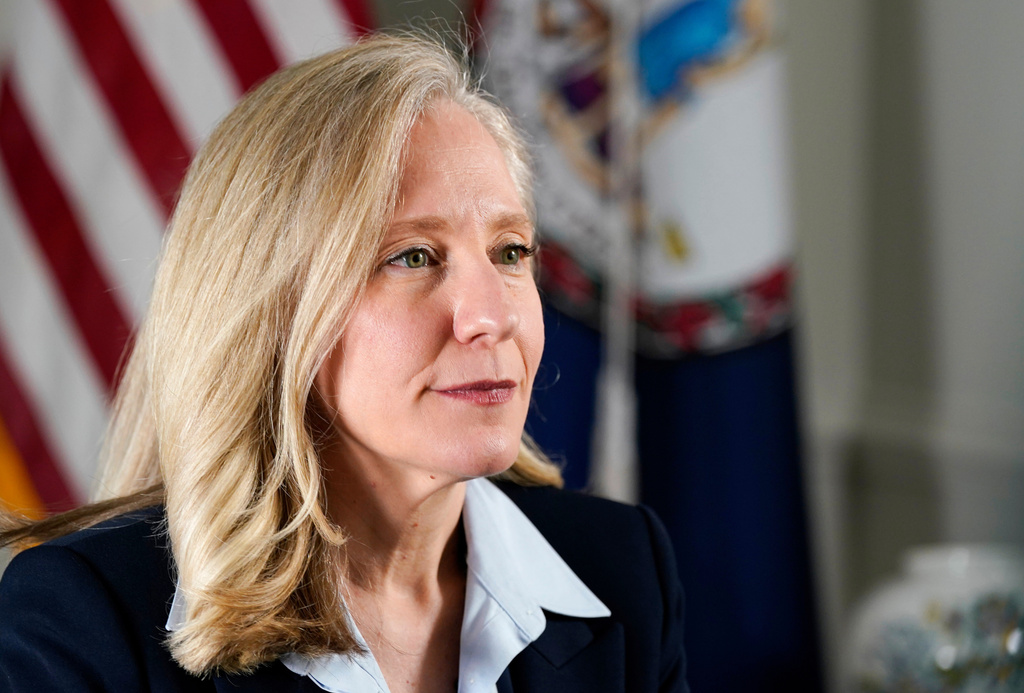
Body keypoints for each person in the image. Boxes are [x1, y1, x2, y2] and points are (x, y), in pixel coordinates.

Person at [0, 34, 687, 693]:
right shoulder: (86, 618)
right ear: (272, 310)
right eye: (413, 255)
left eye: (510, 251)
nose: (493, 315)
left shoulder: (622, 572)